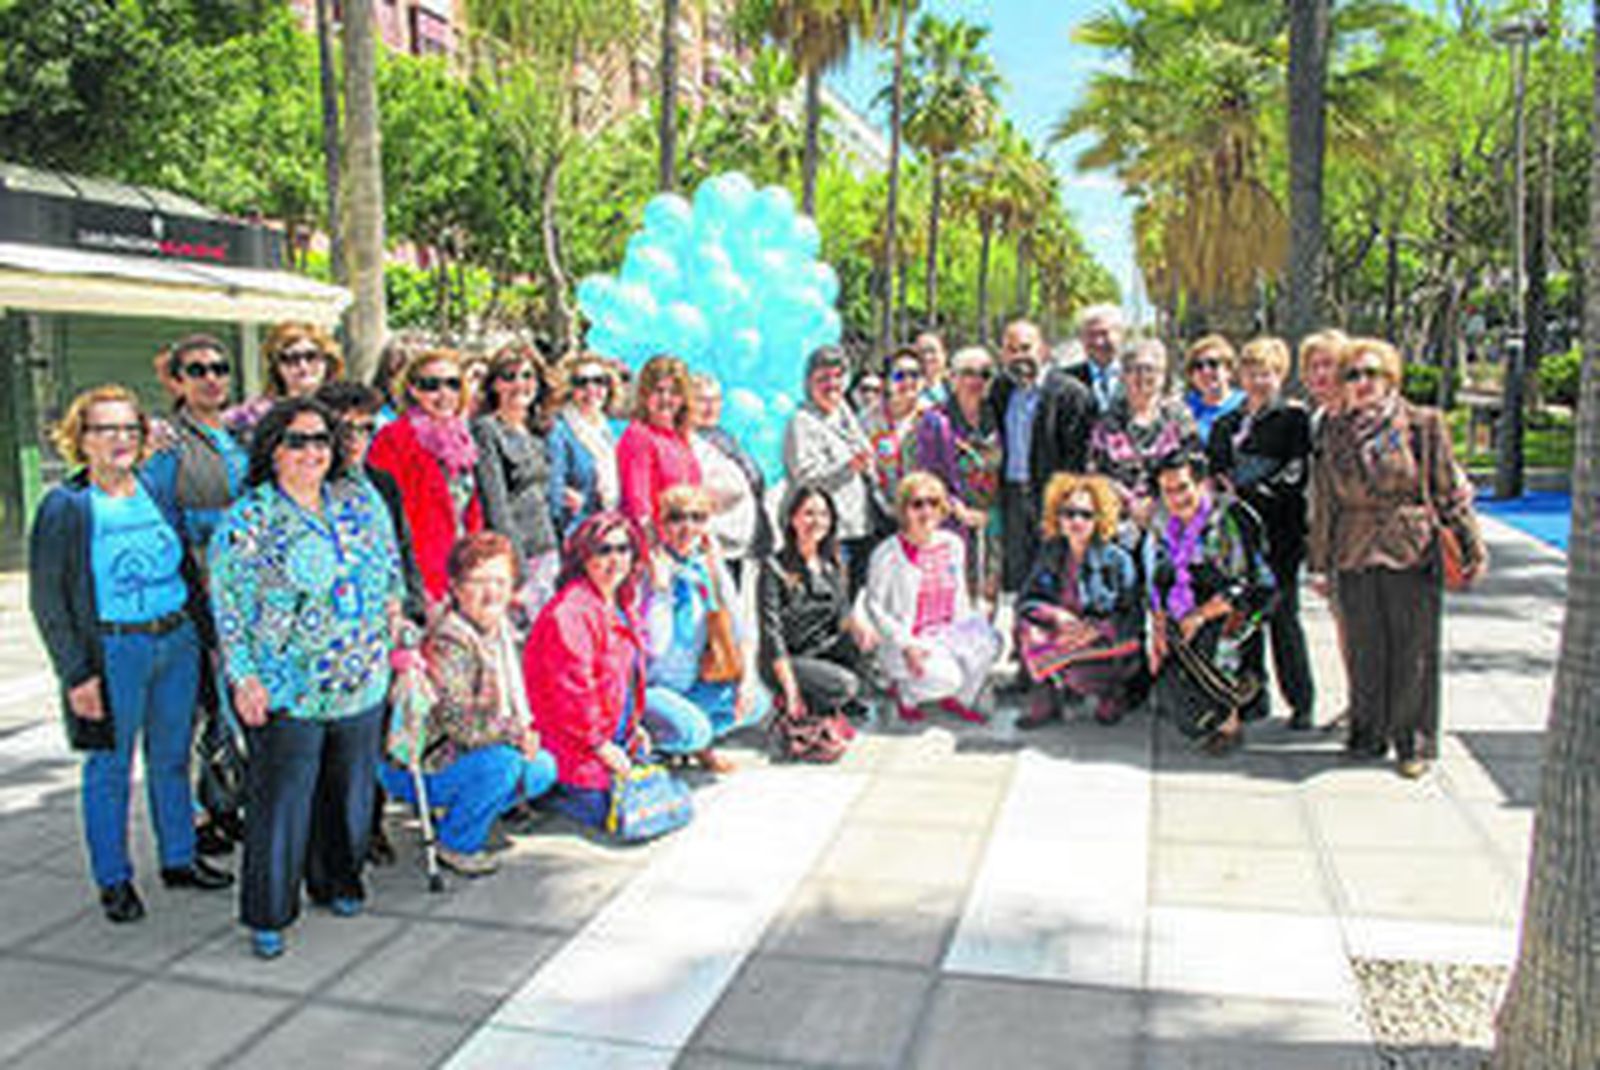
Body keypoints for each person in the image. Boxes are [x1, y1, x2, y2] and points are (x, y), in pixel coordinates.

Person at [29, 386, 231, 924]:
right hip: (113, 649)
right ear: (81, 438)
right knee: (110, 767)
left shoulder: (154, 489)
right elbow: (49, 600)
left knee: (171, 758)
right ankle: (114, 878)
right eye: (105, 429)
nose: (119, 439)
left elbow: (187, 565)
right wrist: (77, 673)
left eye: (129, 428)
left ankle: (179, 858)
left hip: (176, 641)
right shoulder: (65, 507)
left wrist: (205, 636)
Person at [210, 398, 402, 958]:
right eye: (297, 441)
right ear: (272, 450)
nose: (312, 451)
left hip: (360, 678)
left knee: (349, 794)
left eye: (322, 440)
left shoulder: (359, 497)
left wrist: (394, 613)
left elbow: (389, 565)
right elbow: (229, 607)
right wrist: (244, 678)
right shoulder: (250, 519)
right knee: (281, 802)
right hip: (285, 684)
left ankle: (338, 880)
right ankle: (269, 913)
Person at [1308, 338, 1486, 778]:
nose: (1362, 383)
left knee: (1414, 649)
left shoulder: (1422, 423)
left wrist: (1470, 544)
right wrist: (1319, 562)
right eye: (1353, 374)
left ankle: (1414, 741)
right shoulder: (1334, 429)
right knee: (1366, 647)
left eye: (1372, 374)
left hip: (1410, 546)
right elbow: (1327, 501)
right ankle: (1368, 733)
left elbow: (1446, 490)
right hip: (1353, 547)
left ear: (1391, 378)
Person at [378, 533, 557, 877]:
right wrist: (514, 733)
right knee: (505, 765)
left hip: (464, 752)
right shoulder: (451, 640)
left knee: (541, 768)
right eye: (479, 582)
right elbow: (458, 721)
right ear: (457, 588)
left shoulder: (500, 631)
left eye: (501, 581)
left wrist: (522, 732)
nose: (492, 592)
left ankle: (461, 810)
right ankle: (456, 842)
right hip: (423, 762)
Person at [143, 335, 253, 855]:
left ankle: (224, 799)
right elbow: (162, 528)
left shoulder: (240, 438)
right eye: (197, 369)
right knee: (191, 711)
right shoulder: (168, 446)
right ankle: (192, 818)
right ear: (177, 379)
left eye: (219, 367)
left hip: (244, 595)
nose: (211, 377)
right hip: (195, 595)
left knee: (228, 704)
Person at [315, 381, 428, 865]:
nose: (357, 437)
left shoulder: (381, 482)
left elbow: (401, 549)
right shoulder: (309, 486)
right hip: (333, 638)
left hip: (385, 629)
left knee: (377, 733)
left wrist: (414, 608)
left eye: (367, 426)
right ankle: (331, 834)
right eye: (345, 427)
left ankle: (370, 824)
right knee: (334, 743)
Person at [525, 512, 671, 834]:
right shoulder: (570, 613)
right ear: (583, 556)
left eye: (623, 549)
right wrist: (601, 746)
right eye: (603, 550)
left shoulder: (620, 600)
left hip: (611, 730)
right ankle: (546, 793)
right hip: (571, 738)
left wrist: (634, 727)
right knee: (610, 810)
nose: (614, 560)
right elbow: (574, 691)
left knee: (651, 798)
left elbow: (628, 679)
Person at [1207, 337, 1316, 729]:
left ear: (1280, 375)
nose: (1259, 380)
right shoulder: (1226, 423)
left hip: (1279, 535)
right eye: (1252, 372)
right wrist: (1226, 490)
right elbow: (1215, 472)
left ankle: (1301, 701)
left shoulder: (1293, 419)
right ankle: (1254, 697)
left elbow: (1295, 475)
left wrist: (1248, 489)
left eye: (1267, 373)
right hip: (1237, 539)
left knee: (1284, 617)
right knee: (1245, 618)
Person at [1143, 451, 1276, 755]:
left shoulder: (1229, 519)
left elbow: (1245, 584)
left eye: (1183, 487)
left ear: (1202, 484)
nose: (1176, 499)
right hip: (1190, 598)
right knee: (1173, 691)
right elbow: (1156, 581)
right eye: (1168, 491)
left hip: (1239, 604)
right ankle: (1202, 702)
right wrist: (1159, 626)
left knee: (1218, 644)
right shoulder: (1163, 523)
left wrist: (1198, 617)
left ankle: (1230, 722)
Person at [861, 472, 1002, 723]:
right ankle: (907, 693)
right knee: (949, 678)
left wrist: (974, 620)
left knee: (992, 641)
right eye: (917, 504)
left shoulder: (952, 544)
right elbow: (874, 607)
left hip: (946, 633)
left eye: (933, 503)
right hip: (910, 640)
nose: (926, 511)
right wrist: (905, 644)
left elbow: (958, 594)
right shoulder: (886, 554)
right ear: (903, 510)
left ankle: (958, 698)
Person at [641, 484, 758, 774]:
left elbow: (741, 628)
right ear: (662, 523)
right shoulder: (646, 569)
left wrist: (748, 680)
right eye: (677, 518)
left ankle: (687, 738)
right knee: (695, 729)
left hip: (693, 680)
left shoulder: (707, 567)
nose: (687, 526)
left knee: (755, 702)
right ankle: (664, 743)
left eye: (697, 517)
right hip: (654, 687)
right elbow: (655, 645)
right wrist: (661, 590)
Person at [1015, 473, 1145, 729]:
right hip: (1065, 638)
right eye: (1069, 513)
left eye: (1086, 514)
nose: (1076, 520)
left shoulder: (1118, 560)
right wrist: (1055, 616)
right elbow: (1026, 602)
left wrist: (1095, 629)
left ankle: (1111, 693)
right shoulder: (1051, 552)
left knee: (1077, 676)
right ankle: (1046, 697)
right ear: (1057, 517)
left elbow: (1134, 618)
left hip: (1106, 642)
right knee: (1026, 628)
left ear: (1099, 518)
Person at [757, 485, 878, 745]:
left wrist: (859, 627)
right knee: (846, 685)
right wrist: (790, 688)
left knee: (869, 650)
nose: (817, 521)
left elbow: (842, 612)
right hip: (788, 660)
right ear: (792, 519)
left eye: (824, 514)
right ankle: (800, 701)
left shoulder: (831, 562)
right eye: (809, 514)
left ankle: (824, 699)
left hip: (821, 649)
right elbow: (772, 635)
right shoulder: (774, 567)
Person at [368, 348, 485, 605]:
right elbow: (384, 515)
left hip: (462, 569)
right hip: (423, 572)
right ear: (412, 389)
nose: (444, 394)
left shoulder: (463, 438)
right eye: (431, 385)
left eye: (453, 384)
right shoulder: (395, 437)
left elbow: (471, 509)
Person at [990, 319, 1096, 594]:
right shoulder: (1001, 390)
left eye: (1026, 347)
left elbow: (1078, 458)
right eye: (1011, 350)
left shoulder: (1071, 394)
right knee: (1017, 578)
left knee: (1056, 576)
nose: (1019, 356)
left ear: (1044, 349)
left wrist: (1067, 504)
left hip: (1051, 497)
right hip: (1012, 496)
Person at [473, 346, 561, 615]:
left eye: (527, 375)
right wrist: (515, 568)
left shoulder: (537, 432)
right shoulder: (487, 430)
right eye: (509, 376)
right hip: (518, 555)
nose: (519, 384)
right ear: (495, 385)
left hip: (547, 550)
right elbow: (495, 505)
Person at [783, 346, 877, 593]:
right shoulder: (802, 421)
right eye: (823, 379)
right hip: (830, 533)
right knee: (837, 604)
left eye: (837, 377)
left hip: (860, 526)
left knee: (859, 599)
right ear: (808, 383)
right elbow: (805, 477)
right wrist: (848, 467)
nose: (831, 384)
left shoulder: (844, 413)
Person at [915, 346, 1003, 601]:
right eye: (968, 373)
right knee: (957, 594)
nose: (976, 381)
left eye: (984, 374)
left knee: (990, 593)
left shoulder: (995, 415)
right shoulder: (935, 421)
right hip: (953, 519)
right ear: (952, 378)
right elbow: (928, 477)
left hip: (994, 519)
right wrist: (957, 509)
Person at [1089, 338, 1201, 531]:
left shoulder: (1178, 416)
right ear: (1123, 376)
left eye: (1149, 369)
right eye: (1133, 369)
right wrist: (1130, 502)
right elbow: (1094, 471)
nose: (1141, 376)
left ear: (1162, 375)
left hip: (1171, 513)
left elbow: (1192, 465)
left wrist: (1155, 503)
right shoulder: (1107, 420)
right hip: (1117, 518)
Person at [688, 373, 773, 589]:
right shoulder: (686, 442)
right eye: (702, 400)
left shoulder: (724, 436)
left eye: (715, 400)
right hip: (711, 545)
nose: (710, 407)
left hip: (738, 545)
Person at [617, 354, 701, 537]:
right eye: (658, 391)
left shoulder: (679, 439)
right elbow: (638, 506)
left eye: (674, 392)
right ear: (645, 395)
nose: (666, 399)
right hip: (655, 547)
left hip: (682, 544)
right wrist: (654, 551)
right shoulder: (638, 436)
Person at [224, 323, 344, 442]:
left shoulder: (343, 410)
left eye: (311, 356)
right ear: (276, 367)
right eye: (292, 359)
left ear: (327, 361)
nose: (303, 366)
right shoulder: (258, 412)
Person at [547, 353, 621, 539]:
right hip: (576, 535)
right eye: (582, 382)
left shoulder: (609, 432)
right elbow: (555, 494)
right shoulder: (560, 431)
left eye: (599, 381)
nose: (591, 389)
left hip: (608, 530)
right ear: (570, 389)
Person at [860, 347, 926, 505]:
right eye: (900, 375)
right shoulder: (868, 419)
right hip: (879, 510)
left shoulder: (932, 418)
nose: (908, 381)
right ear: (886, 382)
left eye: (914, 375)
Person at [1183, 334, 1247, 443]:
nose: (1206, 371)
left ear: (1229, 371)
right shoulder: (1185, 407)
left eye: (1213, 364)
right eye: (1199, 366)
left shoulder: (1244, 405)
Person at [1067, 304, 1126, 414]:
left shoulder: (1136, 377)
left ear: (1120, 335)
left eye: (1104, 333)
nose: (1098, 342)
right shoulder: (1065, 380)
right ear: (1081, 338)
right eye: (1091, 335)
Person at [914, 330, 949, 405]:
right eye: (921, 352)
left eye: (932, 351)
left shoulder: (957, 390)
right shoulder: (906, 391)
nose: (927, 357)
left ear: (944, 354)